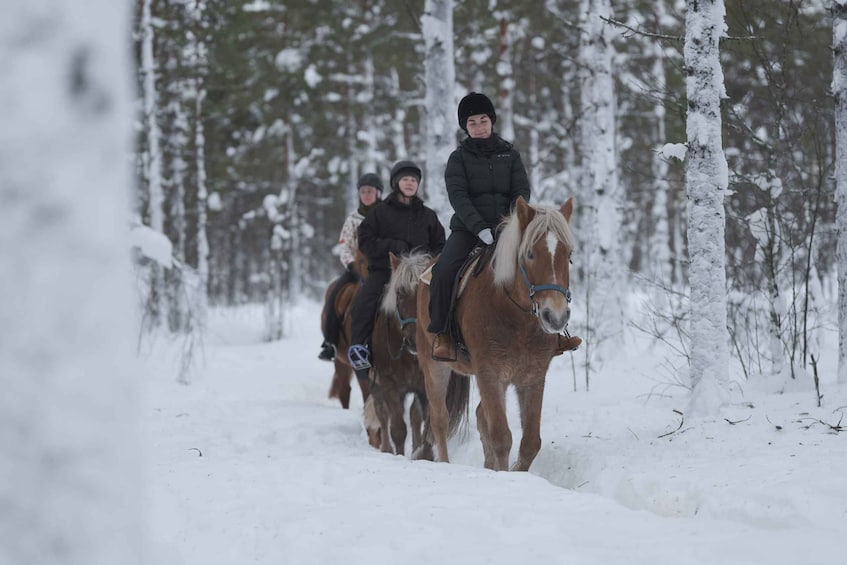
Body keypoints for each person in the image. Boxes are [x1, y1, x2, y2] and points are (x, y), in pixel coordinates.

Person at [426, 92, 531, 360]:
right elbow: (458, 196)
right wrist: (479, 228)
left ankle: (550, 333)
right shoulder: (457, 159)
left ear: (492, 121)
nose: (479, 126)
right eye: (472, 122)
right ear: (465, 127)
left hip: (508, 227)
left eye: (483, 120)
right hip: (468, 230)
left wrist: (509, 224)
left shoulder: (510, 155)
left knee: (541, 260)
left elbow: (521, 192)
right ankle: (444, 334)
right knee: (444, 271)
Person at [347, 160, 446, 381]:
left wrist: (430, 261)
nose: (410, 183)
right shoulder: (379, 213)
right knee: (364, 300)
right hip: (386, 271)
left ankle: (447, 343)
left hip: (421, 274)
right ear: (395, 183)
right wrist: (391, 246)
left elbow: (441, 243)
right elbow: (365, 240)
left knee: (447, 295)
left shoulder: (428, 215)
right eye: (405, 179)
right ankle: (360, 349)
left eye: (414, 180)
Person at [318, 172, 383, 361]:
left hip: (382, 268)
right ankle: (330, 341)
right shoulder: (352, 219)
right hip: (356, 268)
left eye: (370, 191)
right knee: (334, 293)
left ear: (378, 193)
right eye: (363, 191)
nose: (367, 195)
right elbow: (344, 246)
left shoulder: (386, 216)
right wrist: (352, 264)